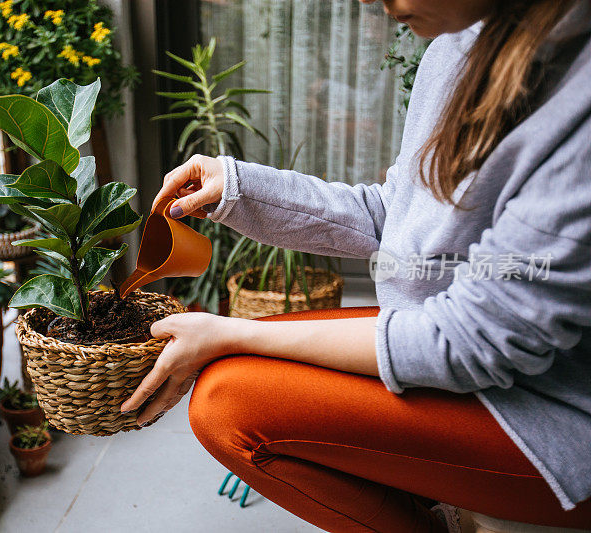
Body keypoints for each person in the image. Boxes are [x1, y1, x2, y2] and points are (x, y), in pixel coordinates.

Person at [121, 0, 591, 531]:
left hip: (558, 411)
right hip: (475, 358)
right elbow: (398, 214)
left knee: (226, 407)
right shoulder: (458, 48)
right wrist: (238, 187)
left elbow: (468, 342)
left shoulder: (580, 103)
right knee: (234, 380)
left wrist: (231, 333)